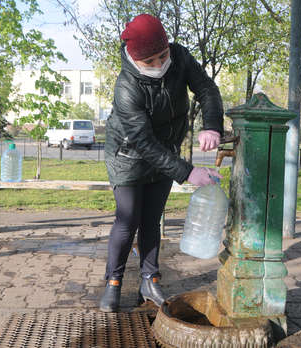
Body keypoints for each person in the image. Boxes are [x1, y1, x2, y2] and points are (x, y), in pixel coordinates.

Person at [100, 14, 224, 313]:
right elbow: (142, 143)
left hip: (164, 152)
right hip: (128, 156)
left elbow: (206, 89)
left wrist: (212, 126)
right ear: (134, 58)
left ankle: (149, 279)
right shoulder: (126, 87)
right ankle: (113, 282)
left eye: (162, 56)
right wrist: (188, 172)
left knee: (152, 219)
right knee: (128, 219)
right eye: (150, 62)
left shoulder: (180, 57)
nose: (159, 65)